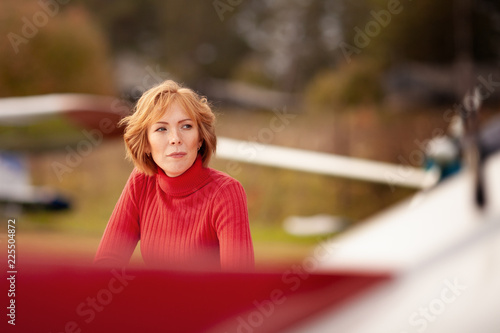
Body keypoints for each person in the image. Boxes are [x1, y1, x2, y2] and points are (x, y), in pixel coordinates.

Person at [94, 80, 254, 271]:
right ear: (145, 143)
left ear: (201, 138)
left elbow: (239, 284)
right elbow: (106, 263)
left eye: (186, 126)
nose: (175, 139)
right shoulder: (141, 181)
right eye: (161, 129)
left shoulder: (226, 192)